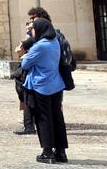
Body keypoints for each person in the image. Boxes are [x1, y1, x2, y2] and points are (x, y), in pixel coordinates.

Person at [15, 7, 73, 135]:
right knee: (54, 108)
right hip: (54, 77)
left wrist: (28, 54)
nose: (31, 23)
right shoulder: (53, 35)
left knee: (44, 110)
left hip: (42, 77)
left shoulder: (43, 39)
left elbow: (21, 53)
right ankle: (36, 127)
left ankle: (37, 130)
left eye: (33, 19)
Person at [20, 17, 68, 163]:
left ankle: (47, 152)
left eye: (33, 29)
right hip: (56, 84)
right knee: (57, 117)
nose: (31, 31)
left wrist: (26, 56)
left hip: (41, 85)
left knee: (43, 118)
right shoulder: (55, 43)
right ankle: (60, 151)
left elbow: (25, 64)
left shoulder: (40, 46)